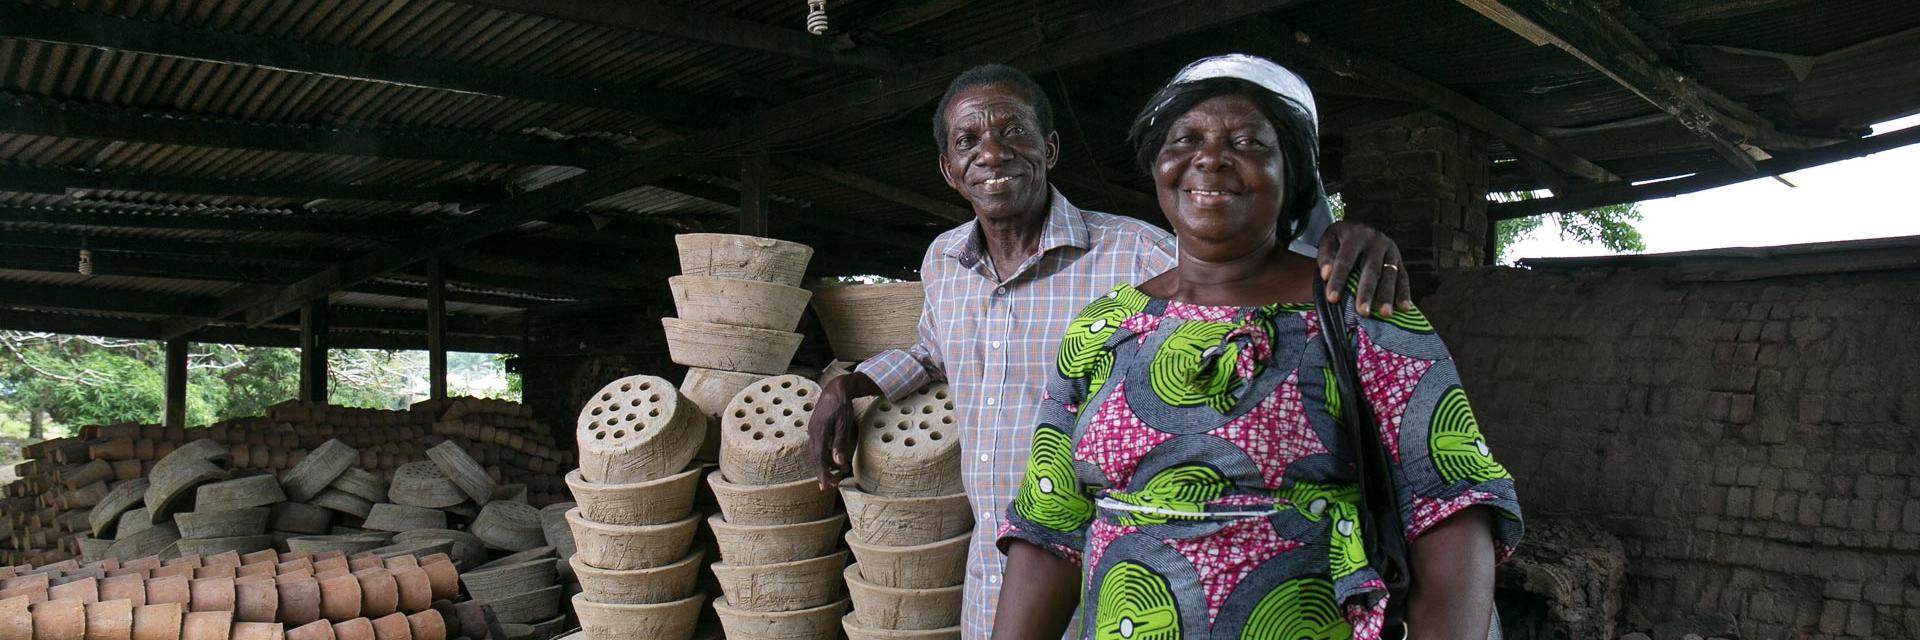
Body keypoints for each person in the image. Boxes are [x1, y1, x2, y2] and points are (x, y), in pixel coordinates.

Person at [806, 63, 1415, 638]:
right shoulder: (945, 260)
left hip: (1120, 576)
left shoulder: (1138, 258)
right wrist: (852, 384)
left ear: (1049, 149)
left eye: (1013, 131)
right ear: (947, 168)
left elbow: (1256, 276)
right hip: (998, 570)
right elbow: (936, 349)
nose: (991, 153)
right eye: (968, 141)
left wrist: (1337, 244)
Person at [990, 54, 1523, 639]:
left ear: (1293, 175)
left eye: (1248, 142)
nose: (1211, 157)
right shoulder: (1104, 326)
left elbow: (1450, 510)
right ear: (1157, 165)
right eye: (1185, 138)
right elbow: (1050, 528)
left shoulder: (1362, 314)